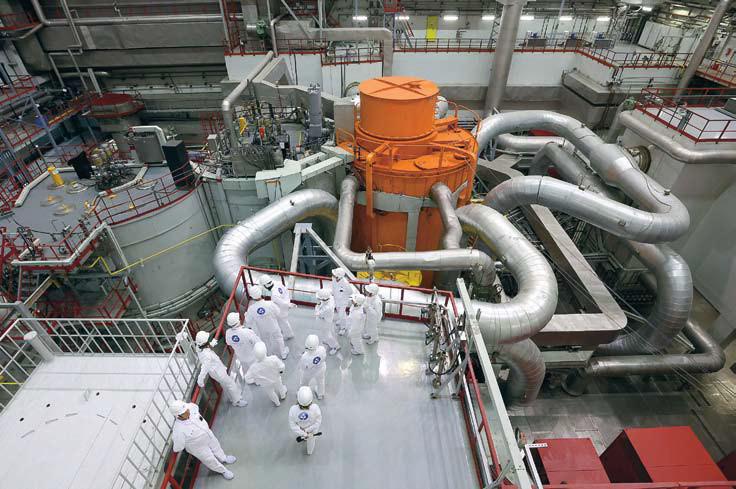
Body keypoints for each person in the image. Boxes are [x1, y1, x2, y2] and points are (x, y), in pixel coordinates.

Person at [169, 399, 237, 480]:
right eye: (184, 412)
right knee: (209, 459)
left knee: (216, 446)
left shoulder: (191, 407)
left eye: (186, 409)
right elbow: (178, 447)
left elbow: (196, 407)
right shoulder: (178, 430)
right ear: (178, 416)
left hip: (208, 434)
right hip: (198, 447)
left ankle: (223, 458)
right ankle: (222, 470)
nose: (187, 412)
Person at [195, 330, 247, 407]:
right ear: (204, 342)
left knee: (225, 385)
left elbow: (205, 348)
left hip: (216, 371)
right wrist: (200, 380)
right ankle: (237, 401)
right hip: (218, 372)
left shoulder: (199, 348)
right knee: (231, 384)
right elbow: (205, 368)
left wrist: (212, 343)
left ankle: (232, 398)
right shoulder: (206, 356)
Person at [245, 285, 289, 359]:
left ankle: (269, 355)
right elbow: (278, 313)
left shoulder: (251, 309)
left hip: (262, 329)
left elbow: (248, 321)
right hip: (273, 326)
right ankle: (283, 354)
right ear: (261, 293)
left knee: (266, 341)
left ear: (252, 296)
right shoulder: (270, 304)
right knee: (279, 338)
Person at [244, 341, 288, 406]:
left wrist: (256, 380)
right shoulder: (273, 358)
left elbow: (247, 377)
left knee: (271, 393)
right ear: (265, 350)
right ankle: (283, 395)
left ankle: (277, 403)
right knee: (280, 386)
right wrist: (280, 371)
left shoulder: (253, 367)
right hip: (276, 378)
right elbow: (282, 367)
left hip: (266, 384)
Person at [259, 274, 295, 339]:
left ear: (265, 286)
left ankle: (289, 334)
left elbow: (281, 303)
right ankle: (284, 331)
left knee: (283, 322)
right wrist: (288, 302)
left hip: (282, 310)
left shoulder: (274, 295)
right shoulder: (278, 284)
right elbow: (286, 291)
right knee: (283, 321)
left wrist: (288, 304)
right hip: (285, 304)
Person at [289, 386, 322, 456]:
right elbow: (318, 422)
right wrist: (308, 431)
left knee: (305, 437)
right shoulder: (315, 408)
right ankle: (309, 452)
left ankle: (304, 438)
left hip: (301, 430)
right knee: (311, 441)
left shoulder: (293, 409)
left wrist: (303, 433)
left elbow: (293, 425)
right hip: (312, 431)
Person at [299, 335, 327, 399]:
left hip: (309, 372)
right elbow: (324, 357)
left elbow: (303, 367)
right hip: (320, 369)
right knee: (320, 381)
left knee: (304, 382)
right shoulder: (322, 349)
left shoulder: (304, 357)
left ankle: (302, 393)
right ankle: (320, 394)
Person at [314, 288, 340, 355]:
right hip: (327, 320)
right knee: (328, 333)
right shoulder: (330, 298)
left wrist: (317, 306)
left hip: (325, 321)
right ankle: (329, 342)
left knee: (327, 335)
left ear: (324, 299)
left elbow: (317, 313)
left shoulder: (327, 308)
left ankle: (335, 346)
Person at [331, 267, 353, 335]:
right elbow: (333, 287)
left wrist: (343, 295)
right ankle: (341, 321)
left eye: (335, 275)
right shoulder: (334, 279)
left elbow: (350, 292)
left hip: (343, 301)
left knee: (341, 314)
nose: (333, 276)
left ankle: (343, 328)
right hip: (336, 299)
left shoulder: (345, 283)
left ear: (339, 276)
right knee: (339, 312)